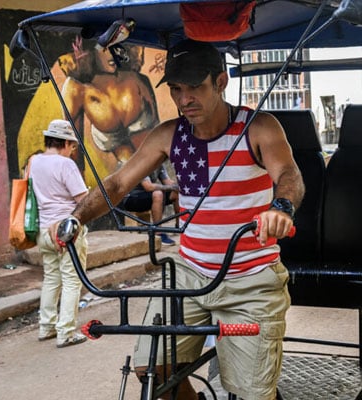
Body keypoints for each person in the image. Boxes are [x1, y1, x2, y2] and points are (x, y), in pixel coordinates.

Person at [51, 39, 304, 400]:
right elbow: (119, 182)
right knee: (152, 370)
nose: (184, 99)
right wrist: (76, 219)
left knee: (253, 394)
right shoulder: (170, 135)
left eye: (195, 88)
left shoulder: (259, 128)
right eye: (176, 89)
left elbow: (289, 175)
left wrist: (281, 208)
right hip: (189, 273)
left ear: (221, 82)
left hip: (251, 279)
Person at [30, 119, 90, 348]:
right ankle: (66, 332)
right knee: (72, 281)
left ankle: (46, 326)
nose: (72, 150)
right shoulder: (65, 165)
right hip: (66, 231)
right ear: (65, 142)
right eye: (72, 145)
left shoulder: (34, 162)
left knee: (51, 279)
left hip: (44, 230)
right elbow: (82, 200)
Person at [60, 37, 159, 169]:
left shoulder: (138, 80)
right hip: (128, 176)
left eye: (117, 46)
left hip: (156, 167)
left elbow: (159, 135)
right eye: (106, 48)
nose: (113, 54)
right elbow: (73, 148)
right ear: (89, 49)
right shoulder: (76, 88)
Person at [118, 164, 180, 245]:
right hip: (131, 199)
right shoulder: (143, 164)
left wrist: (179, 184)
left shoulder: (160, 164)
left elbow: (167, 182)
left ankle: (179, 227)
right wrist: (171, 187)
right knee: (158, 194)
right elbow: (148, 187)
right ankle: (158, 233)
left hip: (146, 196)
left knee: (177, 192)